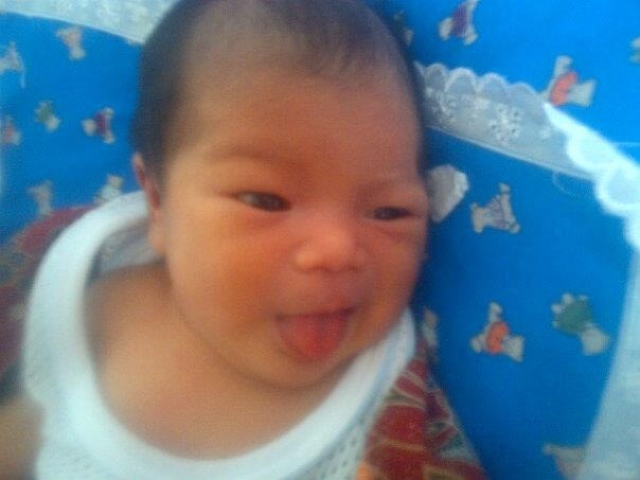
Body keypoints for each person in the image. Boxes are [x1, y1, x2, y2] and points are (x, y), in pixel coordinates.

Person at [4, 0, 485, 478]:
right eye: (266, 200)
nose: (337, 249)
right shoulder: (81, 301)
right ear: (157, 201)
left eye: (388, 212)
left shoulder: (397, 412)